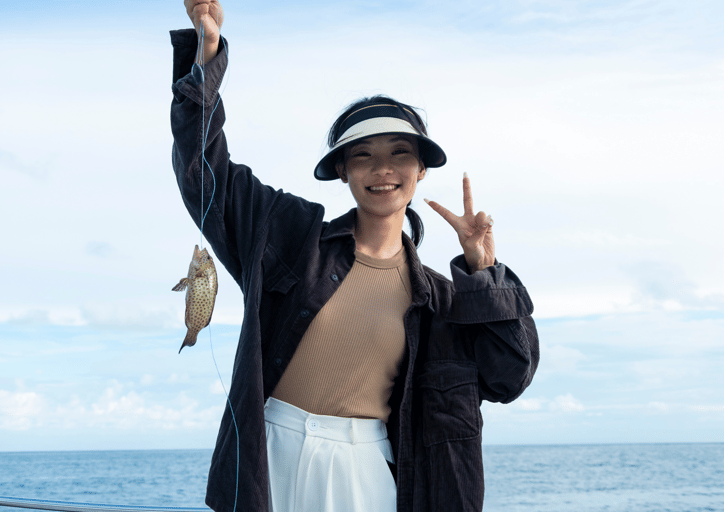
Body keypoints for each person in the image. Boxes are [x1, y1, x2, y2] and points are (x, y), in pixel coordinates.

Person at [170, 1, 539, 511]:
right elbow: (204, 174)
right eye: (363, 155)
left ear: (421, 170)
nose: (382, 169)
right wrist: (206, 54)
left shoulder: (444, 298)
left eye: (399, 153)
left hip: (362, 468)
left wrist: (484, 271)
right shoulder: (288, 235)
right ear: (342, 169)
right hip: (267, 453)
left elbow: (508, 377)